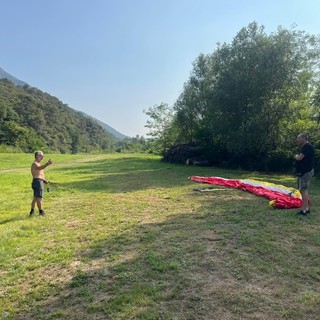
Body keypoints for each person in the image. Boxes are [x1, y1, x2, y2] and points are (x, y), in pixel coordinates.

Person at [294, 133, 315, 216]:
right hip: (303, 172)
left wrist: (296, 156)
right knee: (302, 190)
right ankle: (306, 208)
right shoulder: (305, 147)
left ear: (303, 138)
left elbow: (300, 158)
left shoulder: (307, 147)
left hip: (306, 172)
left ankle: (304, 210)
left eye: (298, 138)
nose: (297, 140)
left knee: (303, 190)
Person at [30, 151, 53, 216]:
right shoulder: (35, 163)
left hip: (38, 181)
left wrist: (44, 180)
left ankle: (32, 211)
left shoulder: (38, 164)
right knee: (39, 198)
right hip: (37, 182)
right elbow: (40, 168)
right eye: (41, 156)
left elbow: (39, 174)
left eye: (43, 156)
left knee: (35, 198)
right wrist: (47, 164)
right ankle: (41, 211)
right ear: (37, 156)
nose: (42, 157)